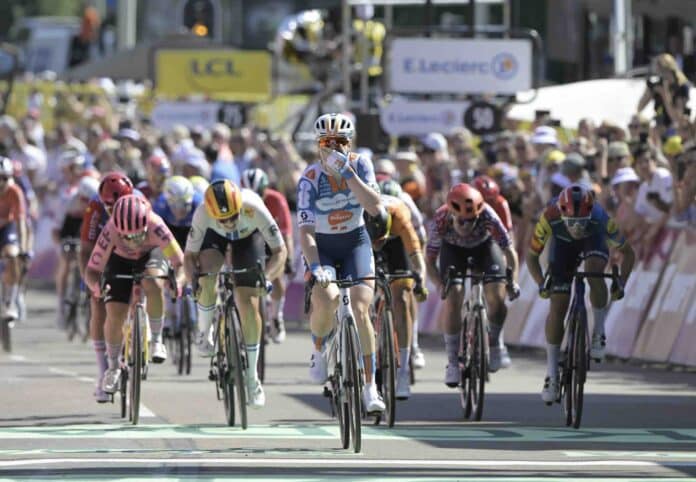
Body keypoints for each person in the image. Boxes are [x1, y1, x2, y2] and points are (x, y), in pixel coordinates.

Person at [297, 112, 386, 414]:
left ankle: (370, 386)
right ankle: (319, 350)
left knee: (361, 307)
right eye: (327, 142)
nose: (334, 149)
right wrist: (316, 267)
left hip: (355, 242)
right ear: (317, 145)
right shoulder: (310, 179)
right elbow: (306, 233)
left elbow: (375, 207)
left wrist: (348, 174)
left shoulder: (361, 165)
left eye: (341, 142)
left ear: (351, 144)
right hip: (322, 246)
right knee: (327, 298)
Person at [526, 184, 635, 404]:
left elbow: (628, 253)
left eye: (581, 223)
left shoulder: (600, 217)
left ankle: (599, 331)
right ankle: (551, 374)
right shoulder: (550, 216)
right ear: (563, 214)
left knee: (595, 272)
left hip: (592, 241)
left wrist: (621, 282)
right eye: (572, 223)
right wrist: (541, 283)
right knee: (558, 305)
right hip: (562, 248)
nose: (576, 228)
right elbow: (531, 257)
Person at [184, 179, 287, 409]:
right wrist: (194, 282)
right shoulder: (202, 214)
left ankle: (252, 378)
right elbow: (189, 257)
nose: (228, 222)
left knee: (247, 301)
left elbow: (280, 252)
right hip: (214, 239)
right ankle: (204, 332)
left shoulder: (254, 208)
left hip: (248, 238)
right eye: (223, 219)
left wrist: (267, 278)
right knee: (206, 277)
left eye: (232, 216)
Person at [85, 195, 186, 394]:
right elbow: (92, 271)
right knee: (114, 312)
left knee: (153, 283)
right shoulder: (111, 230)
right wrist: (97, 287)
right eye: (127, 237)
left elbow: (181, 263)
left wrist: (179, 283)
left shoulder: (156, 224)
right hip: (119, 260)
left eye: (138, 235)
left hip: (151, 254)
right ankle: (113, 366)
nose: (132, 241)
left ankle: (156, 339)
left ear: (146, 226)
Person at [425, 183, 520, 386]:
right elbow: (430, 260)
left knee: (496, 295)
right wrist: (439, 285)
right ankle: (452, 362)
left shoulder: (489, 216)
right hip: (453, 251)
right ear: (451, 214)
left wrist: (512, 281)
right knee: (454, 295)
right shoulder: (440, 219)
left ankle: (494, 343)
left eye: (472, 221)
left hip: (484, 249)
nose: (466, 226)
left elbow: (510, 252)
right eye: (461, 221)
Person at [364, 191, 427, 400]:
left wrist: (420, 278)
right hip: (362, 242)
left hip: (396, 243)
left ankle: (403, 372)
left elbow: (417, 257)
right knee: (360, 292)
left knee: (401, 294)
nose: (377, 244)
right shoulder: (356, 217)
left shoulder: (400, 216)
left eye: (379, 239)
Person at [79, 172, 134, 403]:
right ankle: (103, 371)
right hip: (104, 253)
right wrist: (90, 281)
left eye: (117, 205)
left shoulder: (138, 202)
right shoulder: (95, 207)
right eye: (108, 206)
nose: (112, 210)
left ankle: (140, 333)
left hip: (132, 251)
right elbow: (85, 249)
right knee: (98, 304)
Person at [378, 178, 428, 369]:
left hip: (400, 239)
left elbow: (418, 242)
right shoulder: (364, 206)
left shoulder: (405, 207)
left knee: (405, 293)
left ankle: (412, 346)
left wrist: (419, 276)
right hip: (374, 235)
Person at [241, 168, 294, 343]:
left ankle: (276, 316)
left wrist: (289, 260)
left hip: (272, 239)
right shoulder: (240, 201)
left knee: (277, 277)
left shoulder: (277, 200)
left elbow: (286, 234)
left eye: (259, 193)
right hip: (249, 238)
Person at [54, 175, 100, 329]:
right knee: (66, 260)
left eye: (89, 201)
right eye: (84, 200)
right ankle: (61, 303)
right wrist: (62, 244)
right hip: (70, 225)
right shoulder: (68, 201)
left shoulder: (96, 204)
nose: (87, 204)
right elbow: (57, 230)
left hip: (88, 223)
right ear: (79, 195)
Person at [0, 157, 29, 322]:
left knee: (12, 255)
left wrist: (23, 249)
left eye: (5, 178)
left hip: (7, 227)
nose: (1, 182)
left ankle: (10, 302)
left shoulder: (15, 191)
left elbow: (21, 224)